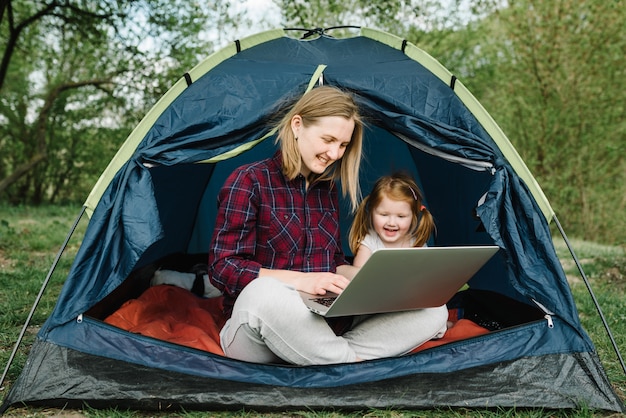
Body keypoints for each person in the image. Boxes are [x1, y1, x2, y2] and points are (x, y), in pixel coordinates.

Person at [209, 86, 446, 365]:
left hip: (322, 319)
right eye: (328, 139)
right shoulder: (249, 181)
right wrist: (302, 281)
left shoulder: (327, 190)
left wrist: (369, 282)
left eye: (343, 145)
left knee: (434, 309)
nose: (335, 153)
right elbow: (223, 268)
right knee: (264, 294)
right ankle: (349, 362)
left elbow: (333, 261)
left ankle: (334, 359)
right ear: (297, 125)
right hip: (262, 326)